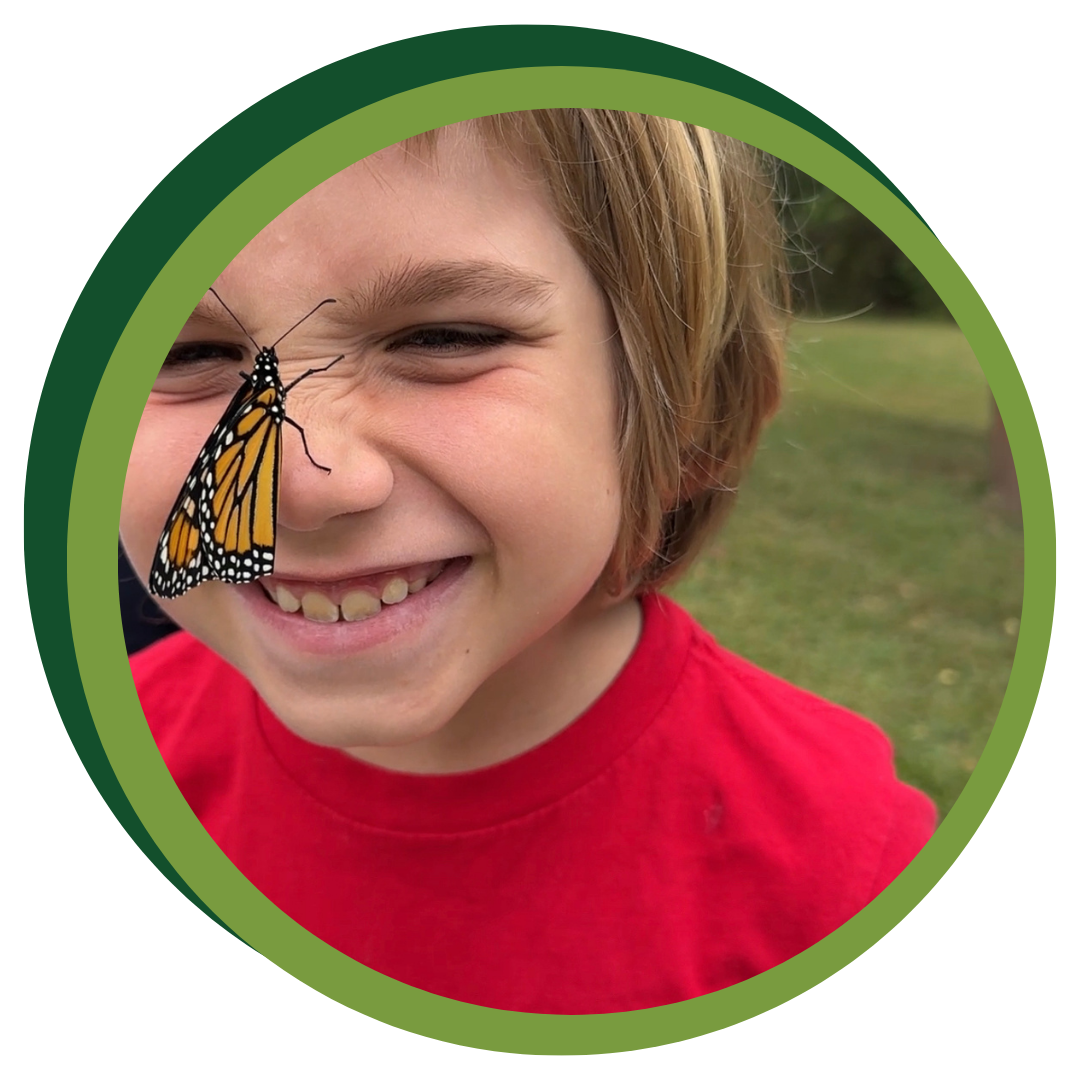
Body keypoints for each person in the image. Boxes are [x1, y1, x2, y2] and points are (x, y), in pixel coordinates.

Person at [123, 110, 937, 1014]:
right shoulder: (128, 750)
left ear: (686, 427)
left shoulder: (842, 873)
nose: (305, 487)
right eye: (187, 352)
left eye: (443, 338)